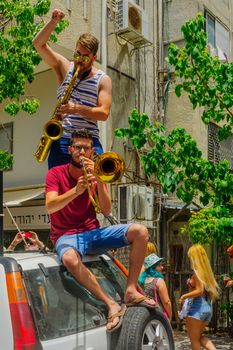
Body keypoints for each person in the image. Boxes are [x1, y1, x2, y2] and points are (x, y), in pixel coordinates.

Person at [45, 129, 155, 332]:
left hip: (92, 233)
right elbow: (50, 205)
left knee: (140, 231)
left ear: (92, 151)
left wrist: (100, 180)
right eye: (77, 147)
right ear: (70, 150)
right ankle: (110, 303)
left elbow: (106, 209)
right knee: (69, 258)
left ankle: (130, 289)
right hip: (66, 236)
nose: (81, 151)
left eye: (86, 148)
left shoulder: (95, 173)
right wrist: (75, 191)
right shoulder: (55, 173)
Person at [33, 8, 112, 169]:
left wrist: (75, 109)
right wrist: (53, 21)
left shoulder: (102, 79)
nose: (79, 60)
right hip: (63, 140)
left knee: (94, 188)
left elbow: (103, 113)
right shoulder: (65, 67)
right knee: (59, 189)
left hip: (89, 141)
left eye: (85, 57)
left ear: (94, 58)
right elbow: (38, 44)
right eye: (77, 54)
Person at [179, 244, 219, 350]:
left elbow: (199, 291)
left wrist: (184, 296)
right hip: (207, 307)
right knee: (199, 337)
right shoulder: (207, 273)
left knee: (194, 340)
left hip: (197, 308)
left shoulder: (197, 273)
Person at [138, 253, 172, 321]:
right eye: (159, 265)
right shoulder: (159, 281)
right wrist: (170, 315)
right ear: (152, 268)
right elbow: (166, 302)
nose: (162, 267)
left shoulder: (142, 281)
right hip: (158, 316)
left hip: (146, 316)